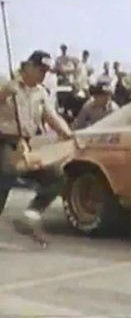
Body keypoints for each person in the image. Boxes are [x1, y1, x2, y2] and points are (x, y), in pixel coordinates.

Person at [0, 50, 73, 244]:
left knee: (57, 177)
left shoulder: (40, 93)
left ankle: (31, 214)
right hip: (4, 141)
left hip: (26, 144)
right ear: (29, 67)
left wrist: (67, 133)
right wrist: (5, 92)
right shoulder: (7, 84)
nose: (43, 75)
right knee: (5, 176)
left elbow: (52, 116)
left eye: (46, 71)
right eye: (40, 70)